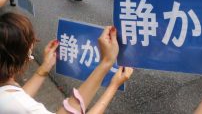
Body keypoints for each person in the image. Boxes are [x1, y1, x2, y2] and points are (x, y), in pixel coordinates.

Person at [0, 13, 133, 113]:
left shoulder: (9, 98)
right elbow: (18, 103)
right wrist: (108, 70)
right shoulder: (20, 106)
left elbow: (17, 97)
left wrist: (44, 69)